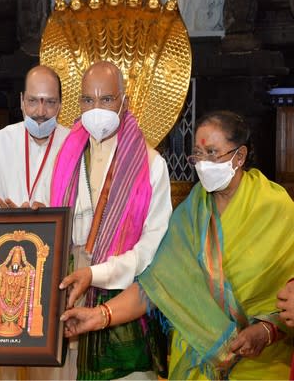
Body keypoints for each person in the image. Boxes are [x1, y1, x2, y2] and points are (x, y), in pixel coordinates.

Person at [61, 110, 294, 379]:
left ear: (239, 156)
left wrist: (266, 330)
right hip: (196, 360)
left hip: (260, 364)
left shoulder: (276, 208)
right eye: (197, 154)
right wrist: (99, 316)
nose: (203, 163)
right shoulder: (191, 212)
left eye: (212, 153)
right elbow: (157, 285)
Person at [49, 61, 172, 380]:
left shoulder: (150, 164)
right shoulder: (66, 157)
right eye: (88, 100)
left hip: (122, 305)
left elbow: (150, 251)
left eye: (107, 100)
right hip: (66, 298)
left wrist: (95, 273)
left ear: (125, 103)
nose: (96, 109)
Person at [0, 65, 69, 209]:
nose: (41, 112)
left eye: (50, 102)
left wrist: (49, 215)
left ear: (60, 104)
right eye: (32, 101)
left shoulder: (73, 144)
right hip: (8, 230)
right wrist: (12, 217)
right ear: (22, 100)